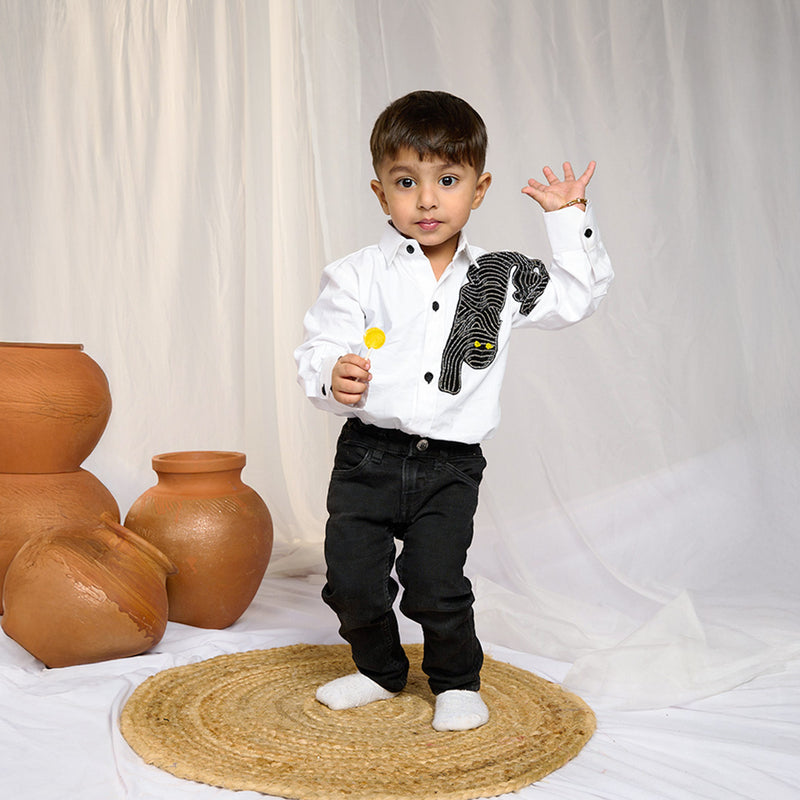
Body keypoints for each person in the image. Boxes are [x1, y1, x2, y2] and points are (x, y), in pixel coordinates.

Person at [294, 90, 613, 731]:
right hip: (368, 458)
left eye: (447, 180)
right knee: (350, 580)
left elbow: (578, 297)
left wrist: (569, 215)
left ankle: (456, 680)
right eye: (406, 182)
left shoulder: (501, 275)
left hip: (450, 465)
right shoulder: (357, 275)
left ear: (480, 187)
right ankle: (379, 670)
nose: (428, 199)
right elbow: (319, 346)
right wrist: (334, 373)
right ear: (382, 194)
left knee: (436, 581)